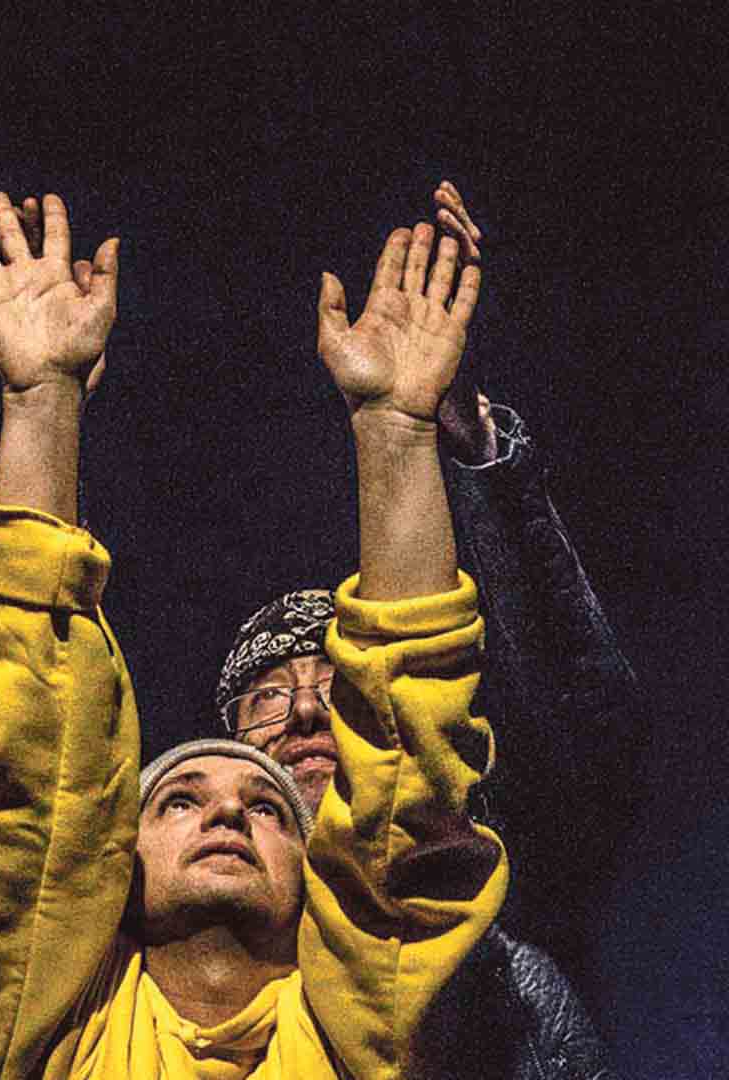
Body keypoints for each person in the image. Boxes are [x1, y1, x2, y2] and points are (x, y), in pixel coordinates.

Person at [0, 191, 506, 1077]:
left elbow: (408, 793)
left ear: (316, 871)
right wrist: (40, 399)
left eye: (271, 809)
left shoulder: (369, 1044)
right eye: (179, 800)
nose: (229, 808)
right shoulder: (36, 1032)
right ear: (118, 863)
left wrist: (396, 433)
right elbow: (39, 768)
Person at [216, 183, 621, 1079]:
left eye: (342, 690)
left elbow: (584, 719)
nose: (309, 716)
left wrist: (461, 444)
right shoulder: (162, 969)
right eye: (267, 697)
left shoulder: (496, 962)